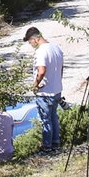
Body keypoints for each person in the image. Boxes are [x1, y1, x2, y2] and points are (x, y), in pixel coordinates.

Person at [24, 27, 64, 155]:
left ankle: (46, 147)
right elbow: (61, 68)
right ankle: (55, 144)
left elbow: (41, 71)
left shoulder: (41, 51)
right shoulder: (56, 48)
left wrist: (35, 84)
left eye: (30, 42)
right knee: (54, 117)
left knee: (45, 119)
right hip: (56, 89)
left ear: (35, 39)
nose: (31, 45)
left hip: (45, 92)